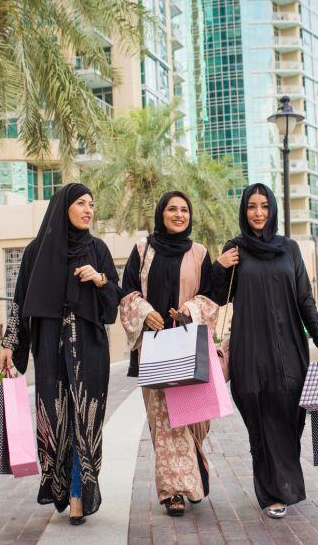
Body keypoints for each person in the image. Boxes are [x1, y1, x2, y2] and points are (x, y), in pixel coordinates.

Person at [211, 183, 318, 519]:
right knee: (261, 420)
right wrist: (220, 266)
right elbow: (218, 299)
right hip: (250, 349)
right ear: (244, 210)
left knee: (288, 419)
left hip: (290, 350)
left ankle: (283, 482)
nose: (258, 213)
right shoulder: (235, 249)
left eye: (264, 206)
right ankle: (273, 493)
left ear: (273, 210)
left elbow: (304, 299)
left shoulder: (289, 249)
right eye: (251, 206)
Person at [0, 183, 121, 525]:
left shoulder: (98, 250)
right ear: (63, 206)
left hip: (91, 350)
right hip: (50, 349)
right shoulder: (36, 252)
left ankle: (78, 494)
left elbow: (114, 302)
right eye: (81, 203)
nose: (88, 210)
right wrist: (10, 344)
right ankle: (60, 486)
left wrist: (99, 280)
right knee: (55, 421)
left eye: (92, 205)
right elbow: (20, 302)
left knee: (85, 421)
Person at [119, 191, 219, 517]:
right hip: (155, 348)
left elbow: (212, 296)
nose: (179, 214)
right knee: (163, 422)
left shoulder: (200, 253)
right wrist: (145, 311)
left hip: (189, 345)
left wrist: (189, 309)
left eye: (184, 210)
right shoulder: (142, 251)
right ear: (161, 213)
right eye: (172, 209)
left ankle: (193, 473)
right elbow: (127, 294)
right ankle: (173, 490)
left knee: (195, 418)